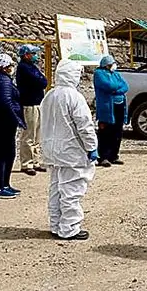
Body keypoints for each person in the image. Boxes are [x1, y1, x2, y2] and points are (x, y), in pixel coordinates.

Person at [41, 59, 98, 241]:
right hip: (71, 151)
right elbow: (84, 126)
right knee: (72, 190)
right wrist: (91, 147)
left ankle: (56, 224)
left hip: (53, 150)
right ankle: (70, 228)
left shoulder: (49, 95)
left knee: (56, 188)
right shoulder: (74, 97)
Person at [0, 53, 27, 199]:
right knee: (2, 154)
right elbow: (5, 102)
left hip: (1, 121)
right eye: (10, 66)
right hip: (3, 122)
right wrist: (17, 119)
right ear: (4, 67)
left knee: (7, 154)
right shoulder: (2, 81)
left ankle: (5, 185)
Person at [15, 44, 48, 176]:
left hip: (37, 103)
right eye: (33, 54)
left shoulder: (32, 67)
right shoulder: (23, 68)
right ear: (26, 55)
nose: (35, 56)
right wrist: (40, 80)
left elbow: (43, 81)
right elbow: (39, 81)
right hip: (28, 104)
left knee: (37, 134)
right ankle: (26, 163)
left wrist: (41, 80)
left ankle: (35, 161)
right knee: (29, 134)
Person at [93, 55, 129, 167]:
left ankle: (114, 155)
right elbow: (109, 86)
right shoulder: (99, 74)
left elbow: (125, 86)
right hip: (107, 108)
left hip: (119, 106)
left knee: (117, 132)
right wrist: (116, 88)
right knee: (106, 132)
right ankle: (103, 157)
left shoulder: (116, 74)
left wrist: (116, 90)